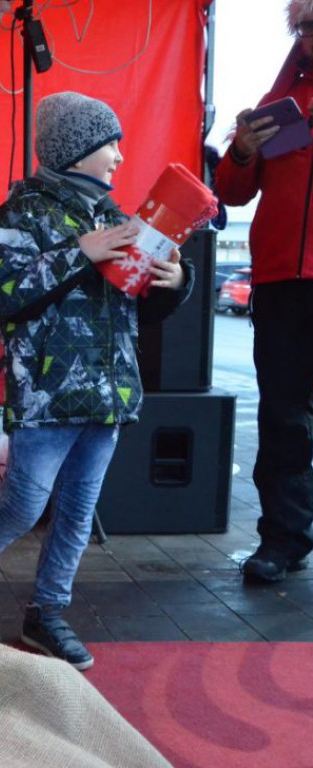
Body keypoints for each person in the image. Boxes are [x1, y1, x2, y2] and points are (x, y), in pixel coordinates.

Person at [0, 92, 192, 670]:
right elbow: (5, 296)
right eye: (109, 142)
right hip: (48, 394)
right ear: (75, 148)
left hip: (108, 391)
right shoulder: (18, 214)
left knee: (77, 511)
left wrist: (172, 283)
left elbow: (136, 308)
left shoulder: (120, 218)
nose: (119, 155)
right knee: (21, 506)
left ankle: (47, 613)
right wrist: (78, 252)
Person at [215, 1, 313, 584]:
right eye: (301, 28)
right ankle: (283, 539)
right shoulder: (282, 104)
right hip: (279, 283)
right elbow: (231, 191)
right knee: (282, 417)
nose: (306, 39)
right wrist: (245, 148)